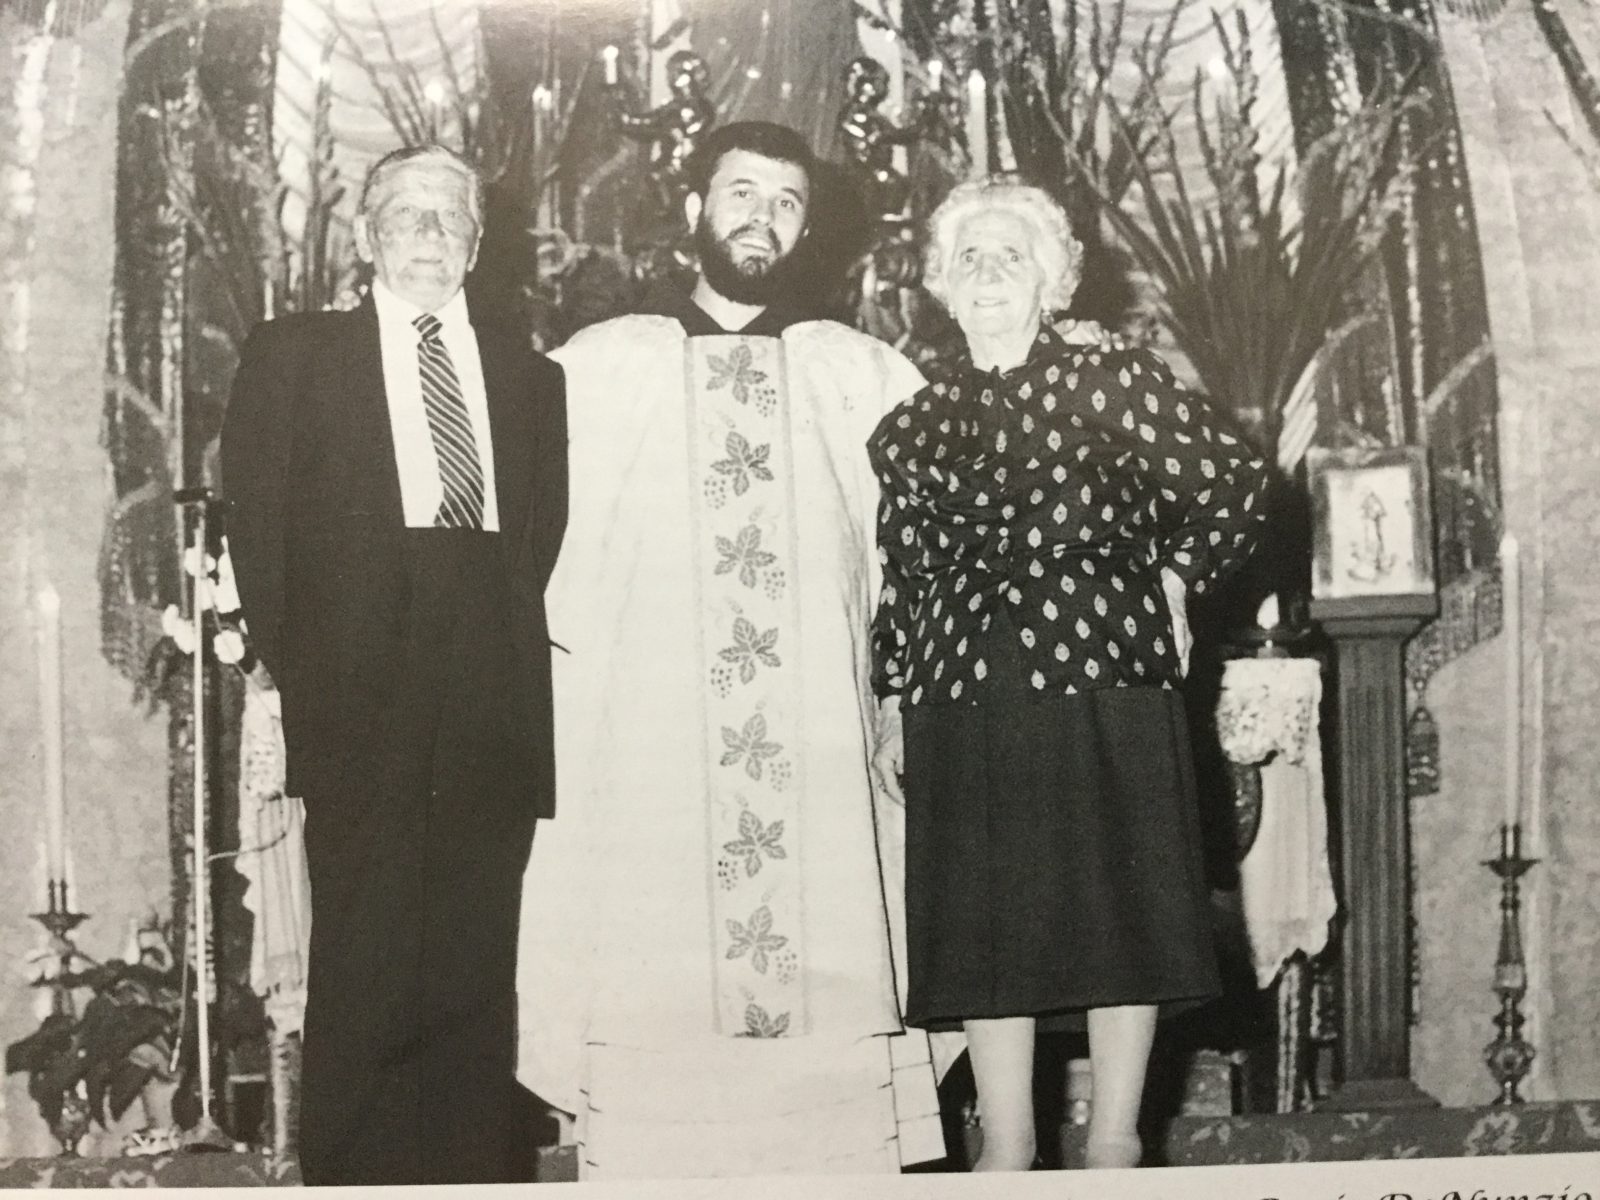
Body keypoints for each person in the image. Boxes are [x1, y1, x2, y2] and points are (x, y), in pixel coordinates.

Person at [514, 121, 945, 1179]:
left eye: (786, 202)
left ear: (812, 227)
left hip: (821, 753)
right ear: (697, 209)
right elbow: (524, 545)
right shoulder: (598, 365)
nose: (762, 218)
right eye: (741, 194)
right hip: (649, 752)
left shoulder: (864, 373)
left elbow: (924, 555)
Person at [867, 177, 1269, 1171]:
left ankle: (1116, 1144)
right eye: (970, 258)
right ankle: (1004, 1150)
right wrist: (888, 700)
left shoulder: (1113, 384)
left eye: (1012, 255)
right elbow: (903, 573)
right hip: (963, 692)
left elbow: (1237, 484)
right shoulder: (913, 427)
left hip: (1102, 681)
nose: (990, 273)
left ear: (1051, 281)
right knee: (987, 924)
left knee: (1117, 915)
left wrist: (1176, 577)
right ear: (943, 289)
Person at [221, 144, 567, 1185]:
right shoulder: (295, 354)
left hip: (488, 687)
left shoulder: (527, 376)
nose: (427, 236)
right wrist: (311, 677)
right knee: (366, 956)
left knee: (470, 963)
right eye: (406, 215)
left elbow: (536, 539)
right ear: (368, 235)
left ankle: (468, 1172)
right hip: (357, 685)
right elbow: (259, 525)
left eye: (448, 218)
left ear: (475, 241)